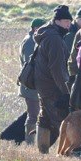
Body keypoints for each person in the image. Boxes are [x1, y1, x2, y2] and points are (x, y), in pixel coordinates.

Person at [33, 5, 73, 153]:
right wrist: (65, 91)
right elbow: (57, 68)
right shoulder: (54, 39)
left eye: (70, 21)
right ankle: (69, 151)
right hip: (52, 85)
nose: (68, 24)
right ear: (57, 21)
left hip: (42, 83)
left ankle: (42, 151)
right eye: (65, 21)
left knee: (44, 118)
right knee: (62, 119)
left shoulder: (47, 32)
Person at [19, 18, 46, 146]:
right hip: (30, 85)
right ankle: (29, 143)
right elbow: (30, 64)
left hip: (34, 84)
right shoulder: (30, 42)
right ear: (36, 29)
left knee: (35, 114)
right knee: (33, 115)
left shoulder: (32, 40)